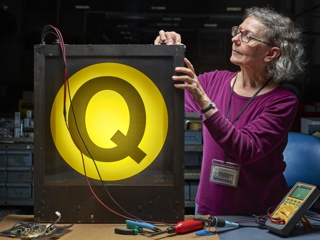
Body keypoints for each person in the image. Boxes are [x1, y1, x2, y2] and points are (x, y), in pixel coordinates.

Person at [154, 6, 306, 216]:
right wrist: (167, 55)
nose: (235, 39)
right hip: (208, 208)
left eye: (248, 37)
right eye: (238, 31)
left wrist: (204, 101)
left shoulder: (282, 102)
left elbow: (245, 149)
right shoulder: (214, 80)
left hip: (259, 215)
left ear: (271, 53)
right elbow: (167, 100)